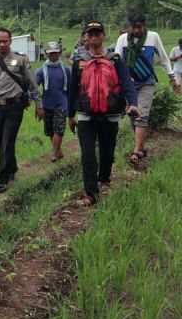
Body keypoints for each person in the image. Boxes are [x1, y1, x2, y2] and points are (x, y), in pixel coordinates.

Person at [68, 22, 139, 204]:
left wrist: (133, 104)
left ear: (103, 36)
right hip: (86, 115)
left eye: (97, 34)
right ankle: (91, 193)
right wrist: (70, 115)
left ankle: (104, 180)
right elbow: (72, 90)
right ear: (85, 37)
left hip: (110, 114)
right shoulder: (79, 61)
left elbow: (127, 83)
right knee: (88, 155)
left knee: (107, 152)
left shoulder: (115, 59)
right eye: (90, 34)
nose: (93, 37)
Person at [113, 12, 181, 166]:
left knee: (141, 115)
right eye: (134, 27)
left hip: (146, 82)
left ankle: (136, 151)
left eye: (140, 27)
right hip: (128, 84)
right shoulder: (122, 39)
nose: (137, 31)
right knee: (132, 114)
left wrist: (172, 76)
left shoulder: (153, 37)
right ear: (130, 26)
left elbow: (163, 57)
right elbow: (116, 60)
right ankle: (142, 147)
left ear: (144, 25)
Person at [0, 28, 40, 193]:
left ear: (10, 41)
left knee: (7, 141)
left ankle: (2, 178)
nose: (2, 44)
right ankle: (12, 167)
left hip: (15, 106)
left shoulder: (20, 59)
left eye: (5, 41)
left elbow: (31, 83)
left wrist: (39, 104)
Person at [35, 42, 72, 162]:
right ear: (46, 54)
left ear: (59, 53)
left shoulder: (66, 70)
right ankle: (58, 151)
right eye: (51, 54)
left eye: (56, 53)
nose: (53, 56)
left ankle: (54, 153)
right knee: (50, 130)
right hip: (47, 104)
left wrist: (72, 105)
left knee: (59, 129)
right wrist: (37, 105)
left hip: (62, 103)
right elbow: (34, 88)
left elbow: (71, 88)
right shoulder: (41, 71)